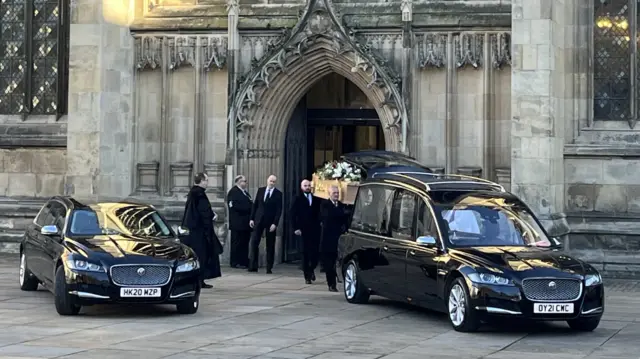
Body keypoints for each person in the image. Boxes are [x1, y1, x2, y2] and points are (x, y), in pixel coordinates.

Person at [181, 172, 222, 289]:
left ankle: (199, 280)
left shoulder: (193, 193)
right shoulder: (199, 194)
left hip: (193, 230)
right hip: (199, 231)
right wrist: (212, 216)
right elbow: (204, 212)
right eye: (207, 180)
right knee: (202, 255)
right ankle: (200, 280)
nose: (207, 183)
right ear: (202, 181)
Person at [248, 174, 282, 273]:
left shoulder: (278, 194)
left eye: (274, 181)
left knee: (270, 245)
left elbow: (279, 210)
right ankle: (253, 266)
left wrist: (275, 223)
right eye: (270, 181)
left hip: (270, 222)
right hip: (258, 220)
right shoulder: (261, 190)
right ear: (267, 181)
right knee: (254, 242)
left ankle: (269, 267)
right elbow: (255, 205)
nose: (272, 183)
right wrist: (251, 219)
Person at [290, 179, 321, 284]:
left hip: (315, 230)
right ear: (301, 187)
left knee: (315, 254)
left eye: (309, 185)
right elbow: (292, 215)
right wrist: (295, 228)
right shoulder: (297, 198)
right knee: (305, 253)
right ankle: (307, 276)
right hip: (303, 230)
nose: (307, 187)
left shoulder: (316, 198)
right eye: (305, 185)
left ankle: (311, 268)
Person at [319, 185, 348, 292]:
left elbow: (345, 219)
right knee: (329, 263)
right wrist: (341, 214)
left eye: (337, 193)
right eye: (334, 193)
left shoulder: (342, 205)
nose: (336, 195)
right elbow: (328, 216)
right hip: (328, 239)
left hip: (339, 238)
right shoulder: (324, 204)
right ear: (329, 194)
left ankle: (340, 279)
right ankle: (331, 284)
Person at [226, 175, 253, 268]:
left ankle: (244, 260)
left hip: (245, 224)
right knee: (237, 243)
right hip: (237, 223)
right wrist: (248, 208)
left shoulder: (245, 193)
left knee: (244, 243)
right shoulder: (233, 192)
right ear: (238, 182)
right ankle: (235, 261)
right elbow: (234, 206)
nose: (245, 183)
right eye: (243, 181)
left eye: (245, 181)